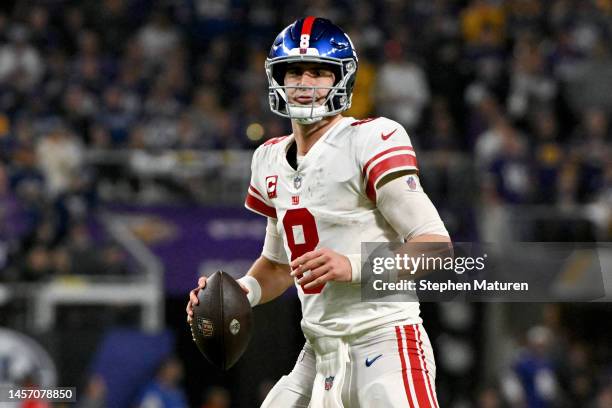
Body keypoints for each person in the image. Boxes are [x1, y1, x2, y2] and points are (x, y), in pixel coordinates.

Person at [187, 17, 450, 407]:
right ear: (278, 78)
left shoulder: (372, 138)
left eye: (319, 72)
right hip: (318, 353)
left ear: (340, 79)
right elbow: (278, 267)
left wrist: (356, 265)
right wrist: (242, 291)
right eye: (294, 71)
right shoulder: (269, 158)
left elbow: (435, 246)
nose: (305, 82)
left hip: (385, 338)